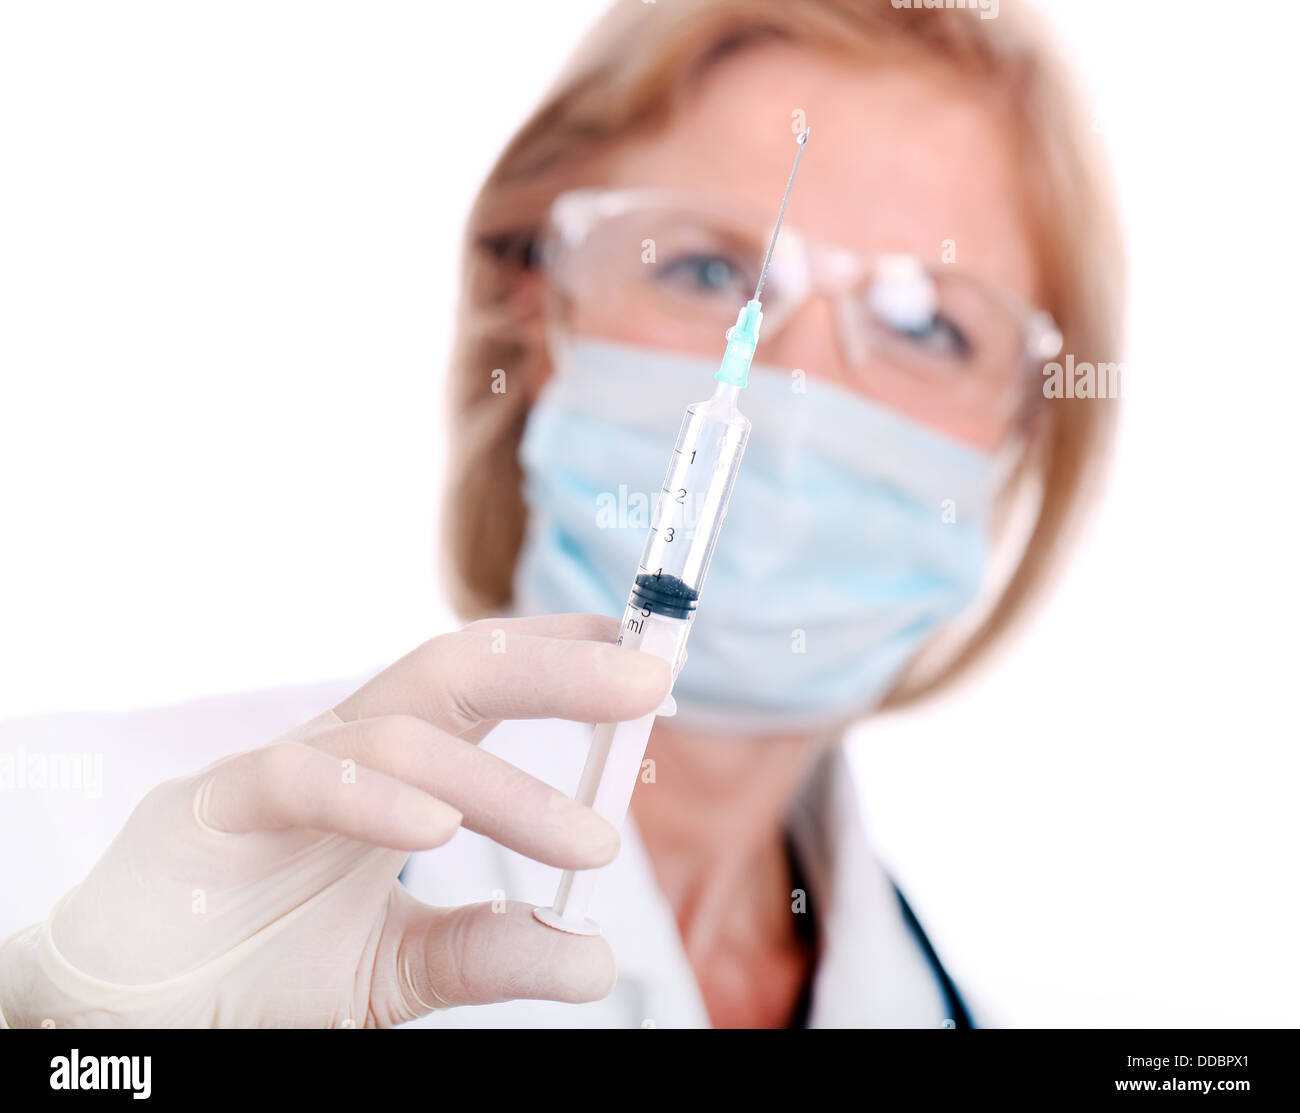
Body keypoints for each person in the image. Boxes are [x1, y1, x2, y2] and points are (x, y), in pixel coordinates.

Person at [0, 0, 1122, 1029]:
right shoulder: (81, 853)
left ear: (1024, 436)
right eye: (702, 267)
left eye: (928, 326)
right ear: (533, 310)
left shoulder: (949, 1003)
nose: (800, 386)